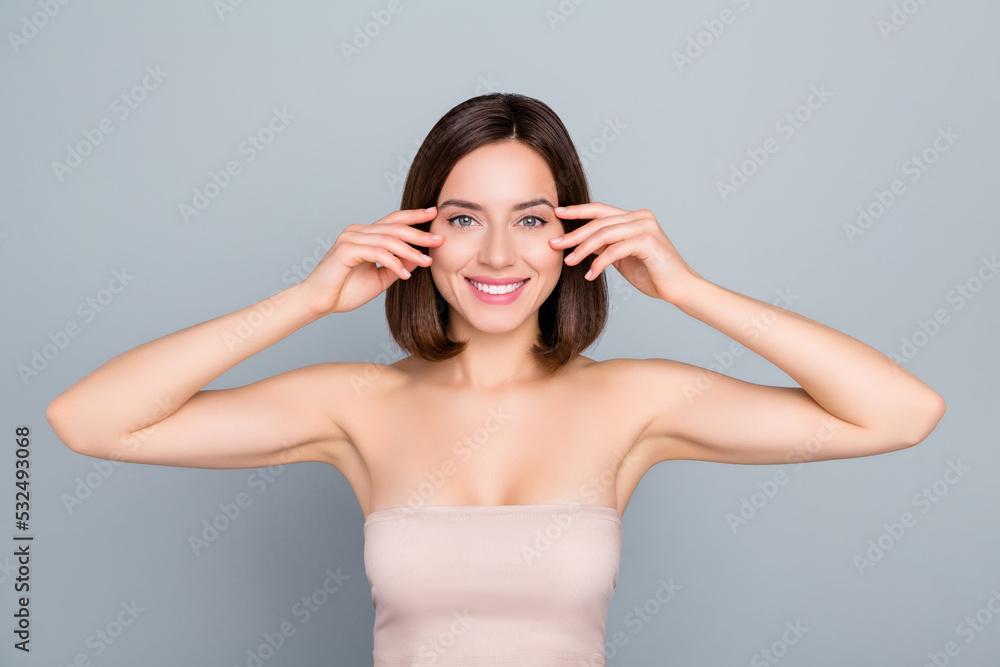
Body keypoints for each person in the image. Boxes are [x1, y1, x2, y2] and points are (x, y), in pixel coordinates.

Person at [46, 93, 946, 666]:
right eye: (464, 217)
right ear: (420, 235)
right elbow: (88, 420)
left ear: (575, 234)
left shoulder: (632, 402)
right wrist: (305, 300)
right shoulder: (357, 406)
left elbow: (902, 413)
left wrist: (688, 287)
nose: (500, 253)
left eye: (533, 218)